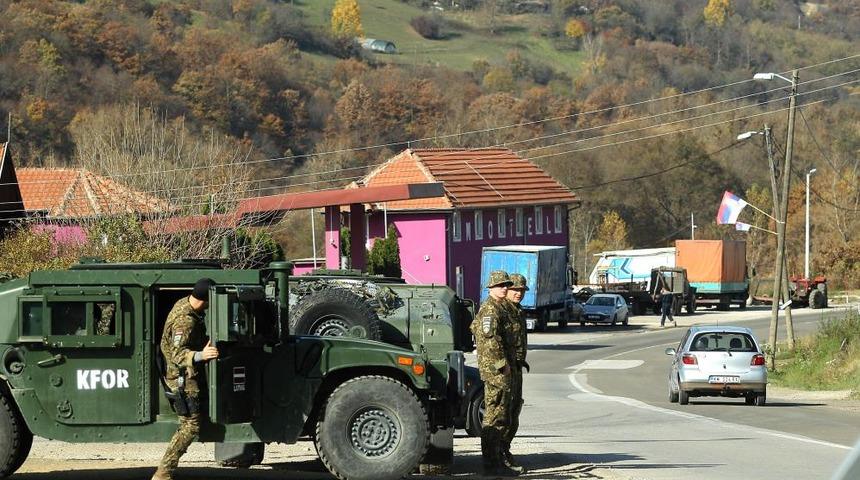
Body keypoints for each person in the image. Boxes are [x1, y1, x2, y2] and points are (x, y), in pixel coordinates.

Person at [152, 278, 220, 480]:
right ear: (205, 300)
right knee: (191, 426)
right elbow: (177, 354)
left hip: (186, 373)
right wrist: (201, 355)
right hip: (181, 376)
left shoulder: (186, 304)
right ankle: (163, 472)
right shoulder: (186, 320)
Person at [470, 270, 519, 477]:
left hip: (500, 370)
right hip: (495, 371)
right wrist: (503, 366)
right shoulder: (490, 309)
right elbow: (490, 342)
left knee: (502, 415)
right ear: (490, 288)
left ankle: (498, 461)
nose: (505, 288)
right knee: (494, 417)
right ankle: (491, 465)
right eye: (500, 285)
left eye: (506, 285)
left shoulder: (500, 308)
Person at [502, 273, 530, 474]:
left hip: (516, 368)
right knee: (501, 414)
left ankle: (505, 451)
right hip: (504, 370)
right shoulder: (502, 311)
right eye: (515, 290)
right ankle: (498, 456)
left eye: (521, 291)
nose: (518, 294)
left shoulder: (518, 312)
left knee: (513, 412)